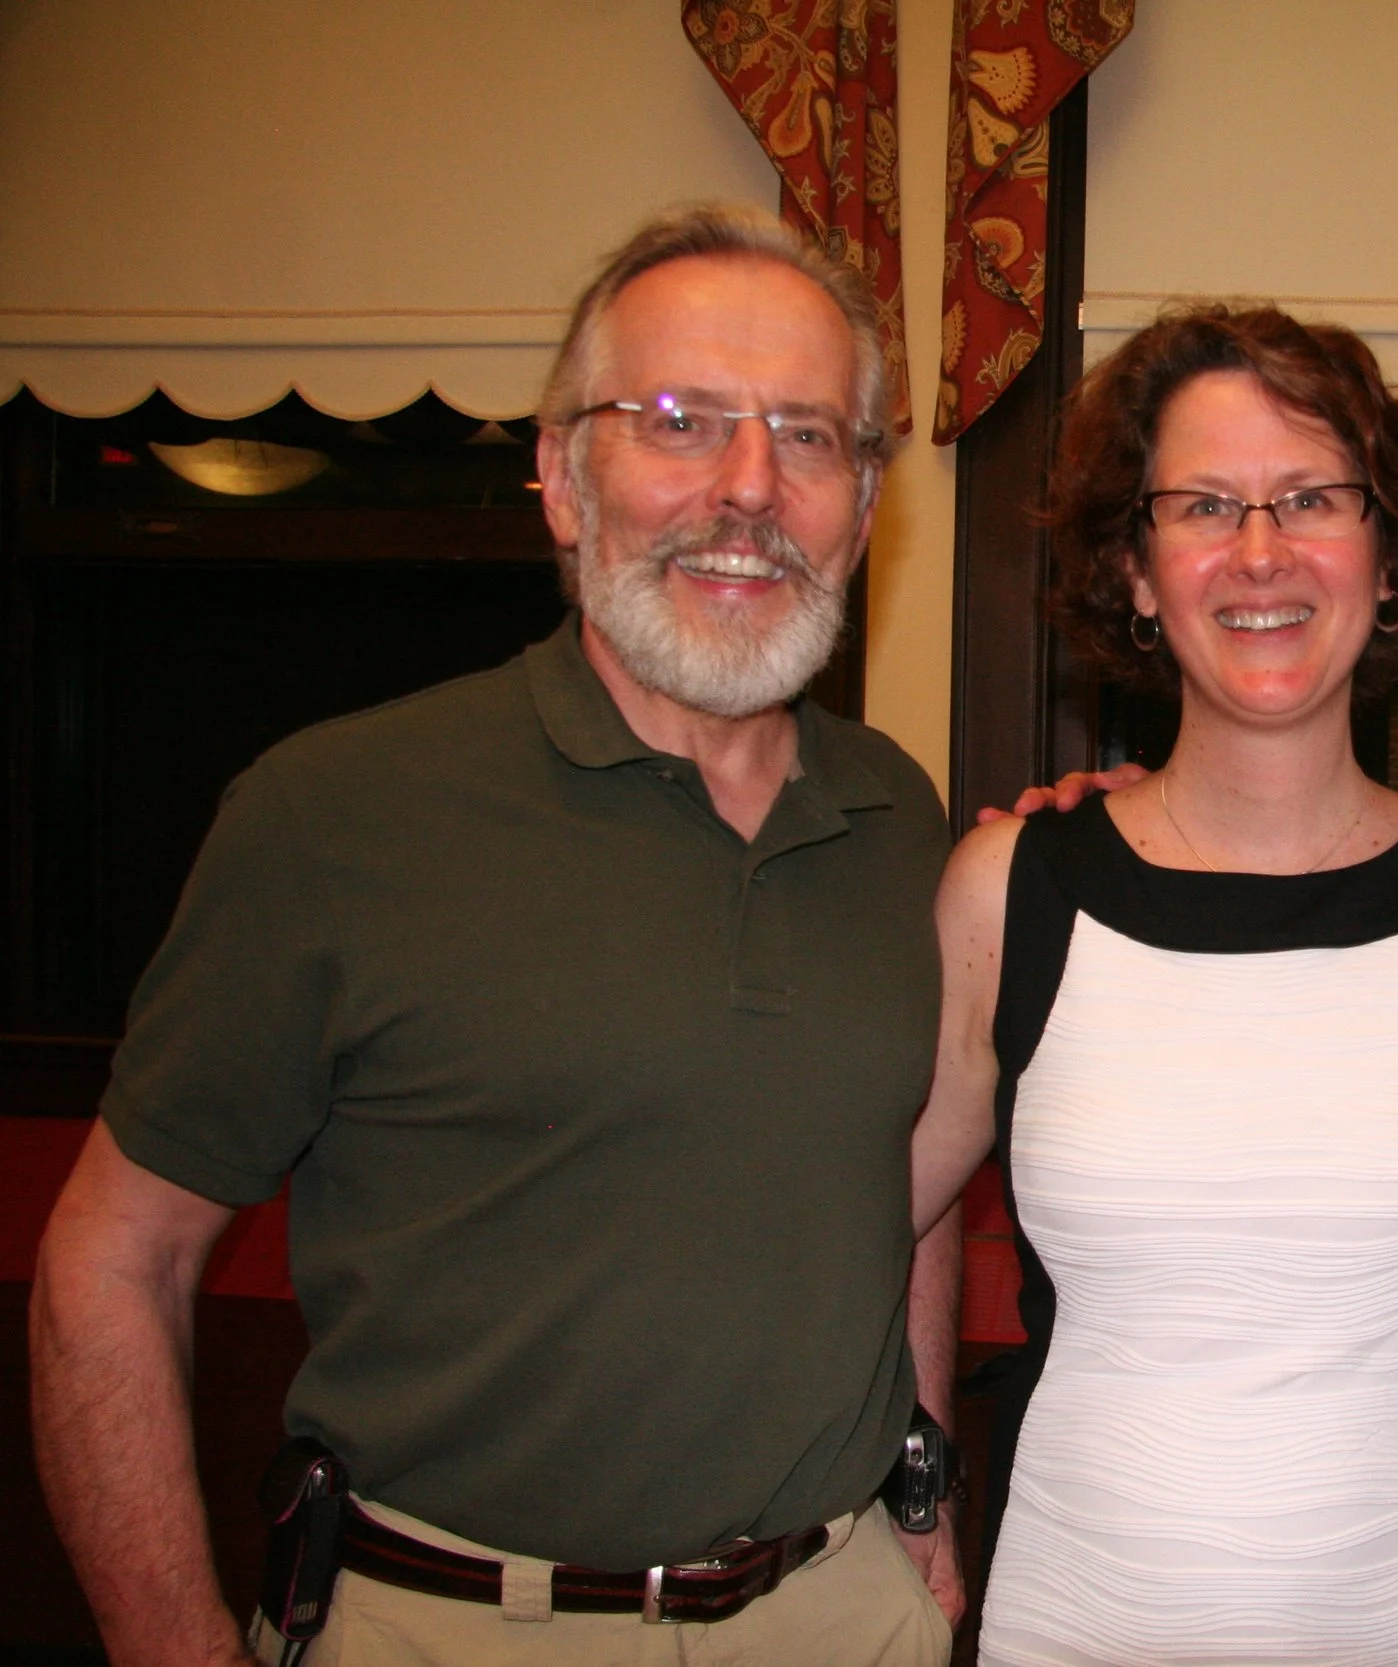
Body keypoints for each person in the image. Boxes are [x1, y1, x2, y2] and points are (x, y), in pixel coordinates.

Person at [29, 203, 960, 1667]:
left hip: (839, 1614)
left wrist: (925, 1488)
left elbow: (901, 1183)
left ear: (864, 497)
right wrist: (173, 1643)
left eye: (809, 434)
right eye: (678, 418)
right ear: (562, 479)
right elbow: (111, 1261)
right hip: (450, 1624)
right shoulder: (335, 813)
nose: (749, 485)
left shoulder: (905, 823)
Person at [911, 306, 1398, 1666]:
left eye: (1312, 498)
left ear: (1387, 555)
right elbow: (876, 1209)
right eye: (1205, 504)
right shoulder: (1007, 888)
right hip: (1053, 1632)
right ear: (1138, 570)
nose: (1259, 551)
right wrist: (916, 1472)